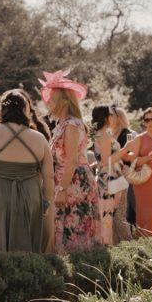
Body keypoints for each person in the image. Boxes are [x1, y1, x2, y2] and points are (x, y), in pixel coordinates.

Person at [0, 90, 55, 254]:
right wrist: (46, 202)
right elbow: (49, 176)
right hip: (29, 195)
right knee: (26, 244)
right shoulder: (39, 138)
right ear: (25, 109)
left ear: (2, 109)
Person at [41, 70, 100, 252]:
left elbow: (72, 160)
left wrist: (62, 189)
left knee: (73, 228)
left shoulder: (71, 125)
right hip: (67, 179)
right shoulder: (63, 124)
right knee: (66, 227)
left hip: (73, 181)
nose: (48, 103)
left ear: (63, 101)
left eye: (52, 99)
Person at [115, 107, 152, 238]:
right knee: (144, 217)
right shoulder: (139, 138)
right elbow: (133, 160)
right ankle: (145, 245)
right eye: (147, 120)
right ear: (144, 122)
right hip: (143, 183)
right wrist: (146, 158)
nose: (150, 122)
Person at [91, 105, 132, 245]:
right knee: (111, 216)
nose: (112, 117)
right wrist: (126, 149)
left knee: (108, 215)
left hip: (106, 177)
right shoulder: (105, 135)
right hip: (110, 178)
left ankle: (110, 246)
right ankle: (109, 247)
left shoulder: (97, 134)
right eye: (110, 114)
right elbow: (106, 161)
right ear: (106, 117)